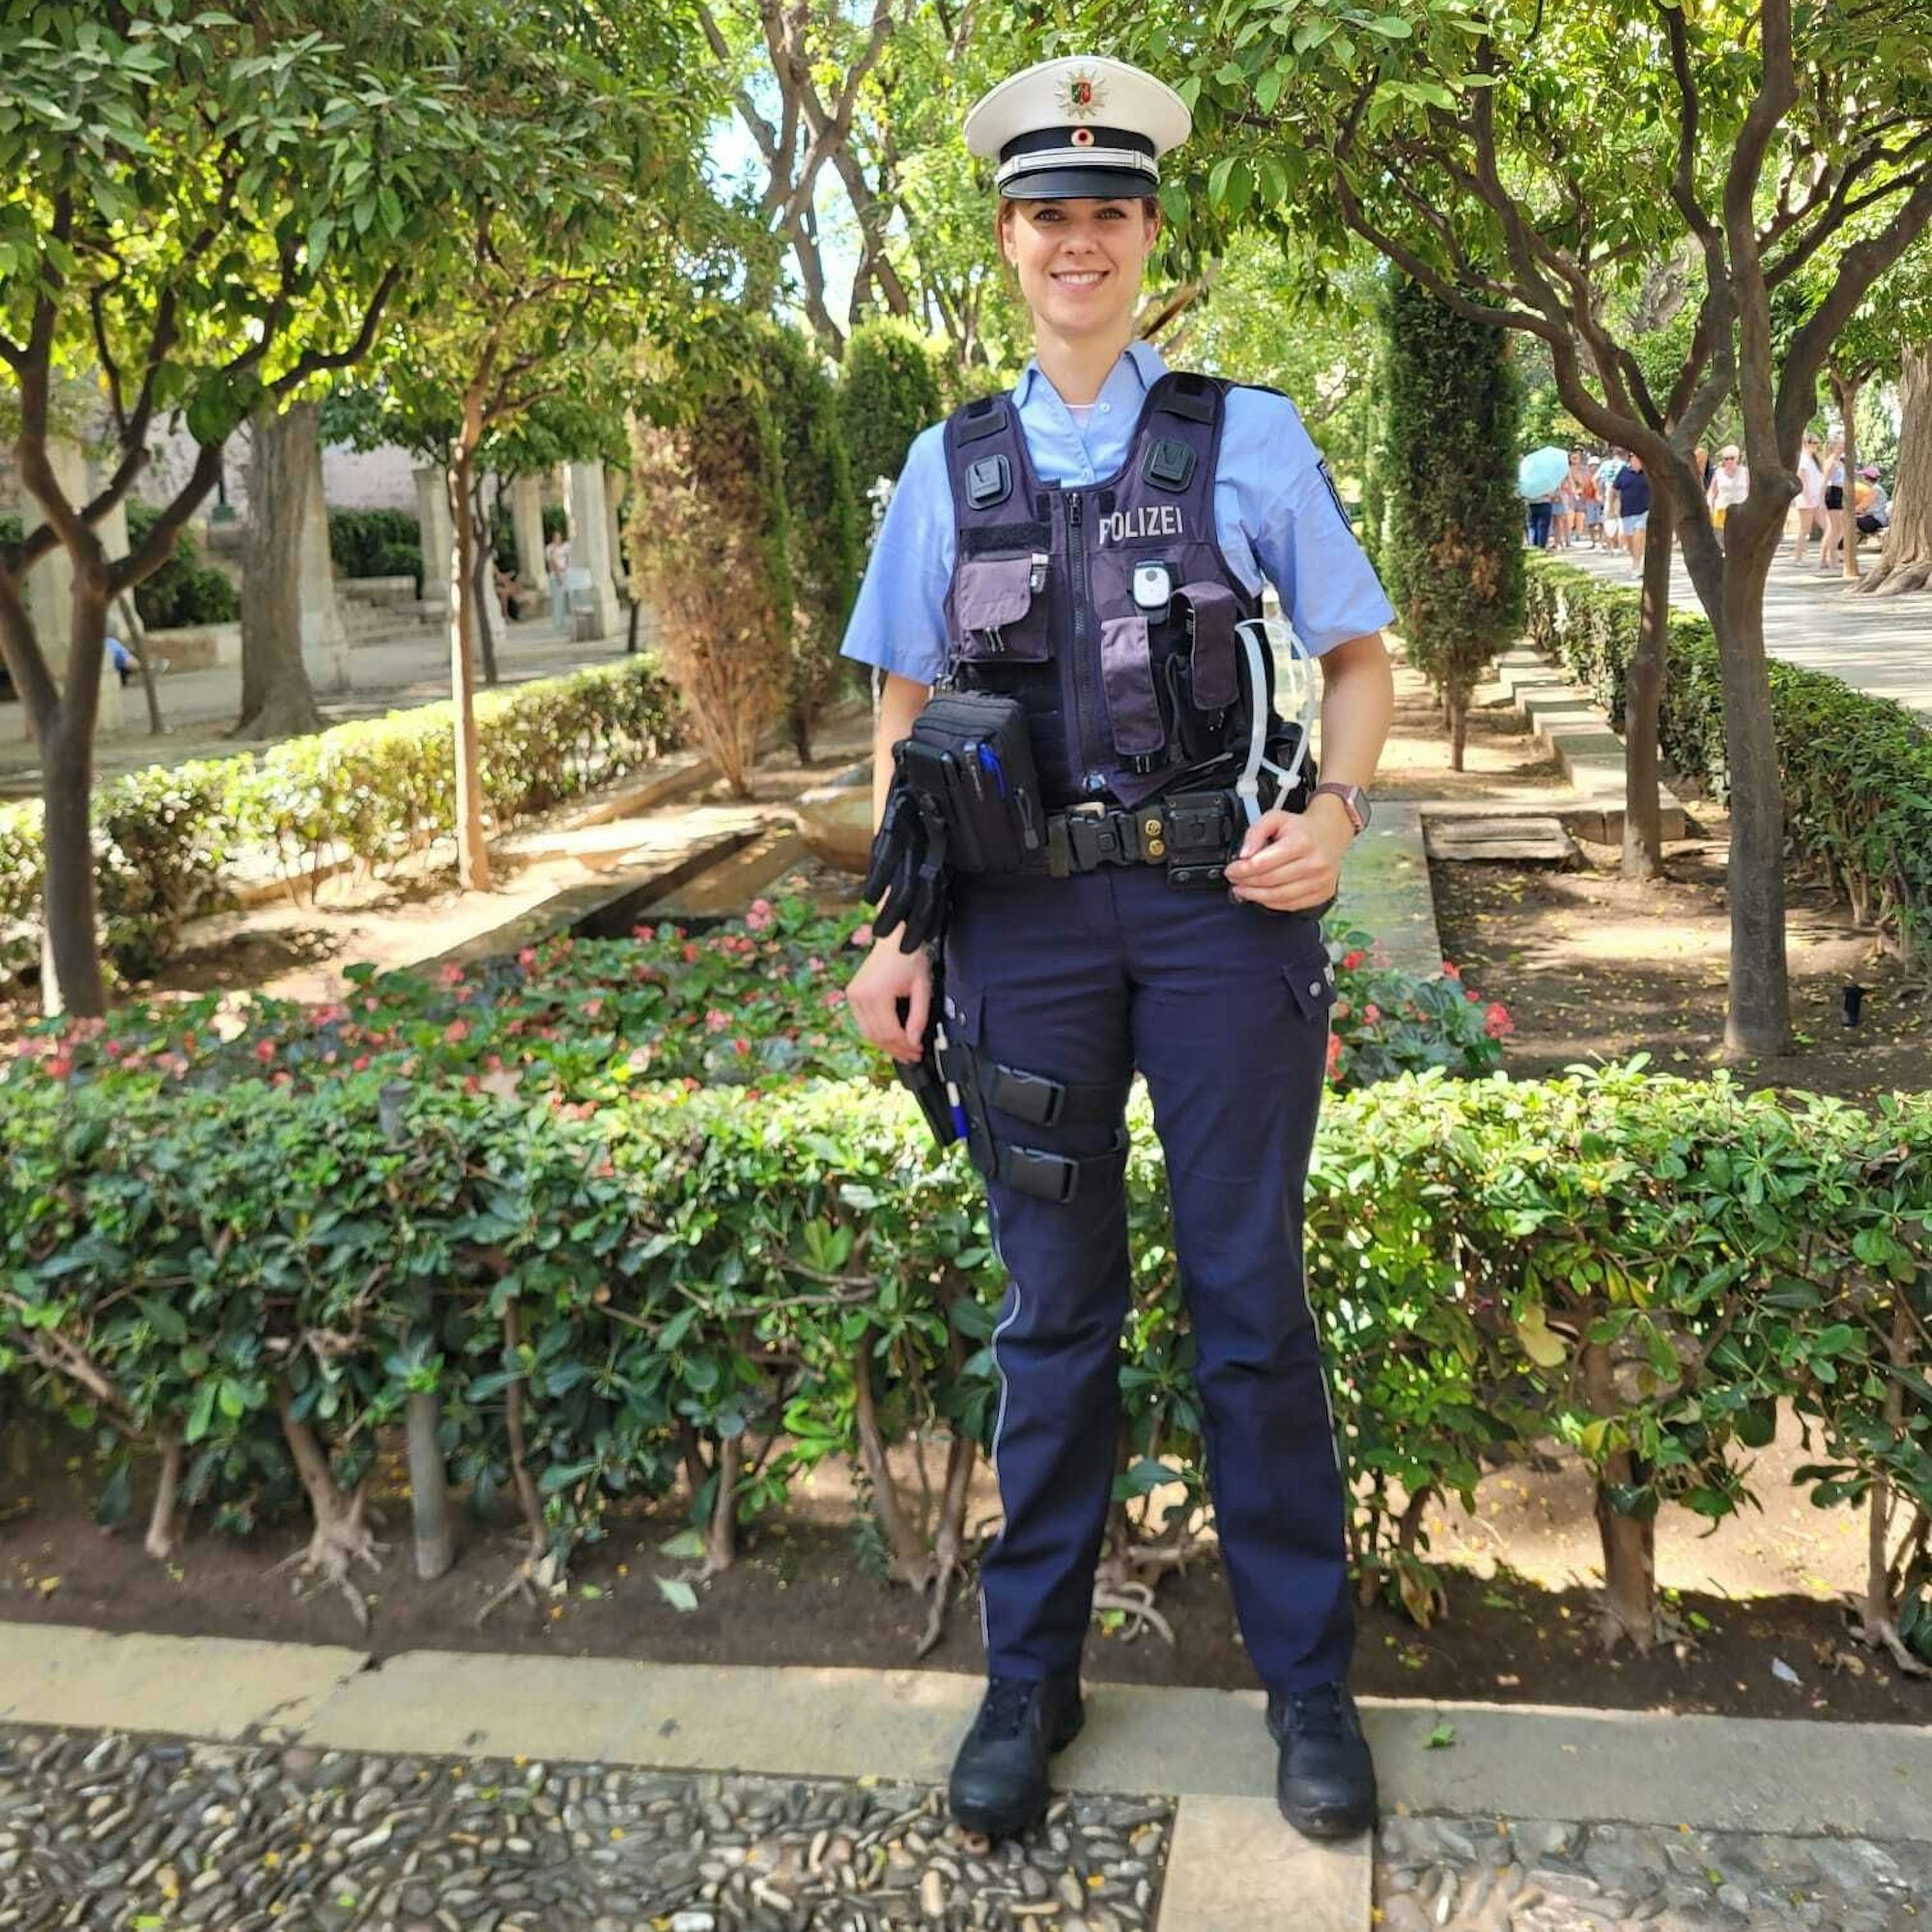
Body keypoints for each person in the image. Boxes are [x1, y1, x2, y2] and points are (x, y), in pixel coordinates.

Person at [840, 53, 1394, 1849]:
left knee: (1252, 1309)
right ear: (1007, 243)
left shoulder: (1251, 438)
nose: (1078, 246)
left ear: (1151, 236)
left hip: (1222, 921)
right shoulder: (948, 464)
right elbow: (908, 701)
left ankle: (1308, 1691)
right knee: (1052, 1320)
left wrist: (1341, 815)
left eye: (1109, 217)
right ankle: (1032, 1679)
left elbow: (1361, 659)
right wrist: (899, 928)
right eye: (1047, 220)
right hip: (1021, 936)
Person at [1611, 450, 1650, 573]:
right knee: (1630, 540)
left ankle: (1637, 565)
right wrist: (1611, 506)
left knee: (1639, 535)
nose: (1636, 459)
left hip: (1644, 510)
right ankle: (1635, 560)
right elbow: (1614, 489)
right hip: (1627, 511)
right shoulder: (1624, 472)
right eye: (1633, 457)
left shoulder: (1648, 473)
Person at [1793, 431, 1826, 566]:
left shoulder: (1814, 460)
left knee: (1827, 526)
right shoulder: (1803, 459)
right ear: (1806, 444)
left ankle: (1831, 554)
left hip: (1817, 498)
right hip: (1807, 499)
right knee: (1805, 529)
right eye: (1813, 443)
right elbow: (1801, 479)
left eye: (1817, 443)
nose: (1816, 446)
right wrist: (1807, 496)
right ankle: (1798, 558)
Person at [1706, 443, 1748, 533]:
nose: (1729, 461)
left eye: (1732, 458)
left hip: (1740, 512)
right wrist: (1710, 506)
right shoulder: (1718, 473)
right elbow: (1712, 493)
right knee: (1722, 540)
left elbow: (1751, 490)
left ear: (1737, 459)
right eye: (1726, 459)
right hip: (1722, 512)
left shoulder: (1745, 472)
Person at [1854, 464, 1890, 540]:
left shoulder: (1875, 490)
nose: (1861, 478)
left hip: (1876, 519)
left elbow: (1863, 506)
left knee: (1850, 519)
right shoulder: (1875, 488)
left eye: (1863, 476)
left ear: (1866, 478)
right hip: (1875, 517)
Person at [544, 529, 571, 627]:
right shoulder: (549, 548)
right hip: (555, 576)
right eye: (556, 536)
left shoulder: (564, 547)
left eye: (559, 536)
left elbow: (568, 558)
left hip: (565, 574)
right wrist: (558, 573)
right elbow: (552, 562)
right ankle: (558, 622)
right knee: (557, 599)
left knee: (565, 598)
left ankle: (565, 620)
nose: (558, 538)